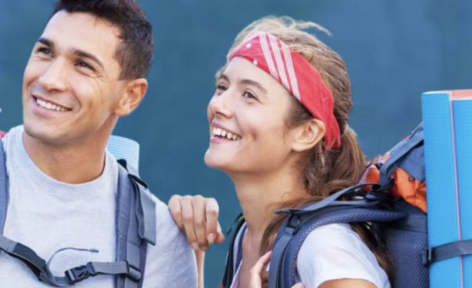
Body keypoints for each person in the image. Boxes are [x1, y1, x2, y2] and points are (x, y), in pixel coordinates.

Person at [169, 16, 391, 288]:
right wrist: (192, 255)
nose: (219, 105)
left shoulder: (324, 245)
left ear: (306, 133)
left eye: (249, 95)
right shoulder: (249, 238)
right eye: (223, 87)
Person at [0, 0, 197, 287]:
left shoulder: (160, 240)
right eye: (45, 52)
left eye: (83, 65)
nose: (50, 79)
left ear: (130, 96)